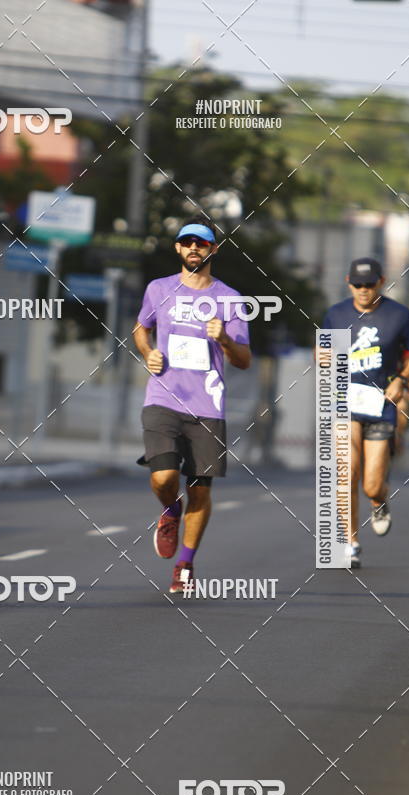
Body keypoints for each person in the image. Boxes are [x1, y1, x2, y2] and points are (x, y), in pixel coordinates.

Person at [133, 215, 251, 593]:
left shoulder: (229, 299)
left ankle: (185, 563)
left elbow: (244, 359)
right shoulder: (159, 289)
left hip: (207, 407)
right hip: (163, 399)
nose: (194, 248)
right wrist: (148, 352)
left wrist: (226, 341)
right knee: (164, 478)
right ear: (178, 248)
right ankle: (170, 510)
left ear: (212, 249)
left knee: (200, 490)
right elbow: (141, 328)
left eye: (201, 243)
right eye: (187, 242)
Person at [322, 258, 409, 568]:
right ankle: (350, 542)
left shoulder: (399, 315)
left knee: (371, 484)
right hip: (345, 403)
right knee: (346, 472)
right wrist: (323, 357)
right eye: (358, 284)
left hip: (381, 406)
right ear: (348, 282)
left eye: (369, 284)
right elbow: (325, 350)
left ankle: (379, 501)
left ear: (381, 281)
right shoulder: (336, 314)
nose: (363, 290)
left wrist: (402, 381)